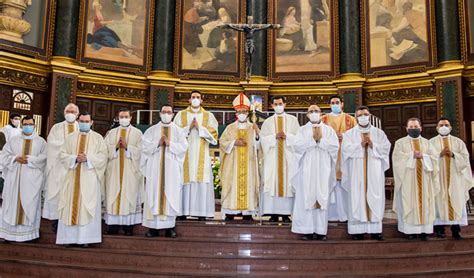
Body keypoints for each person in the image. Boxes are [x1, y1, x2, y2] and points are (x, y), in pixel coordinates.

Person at [56, 112, 108, 247]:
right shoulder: (70, 138)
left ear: (91, 123)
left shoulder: (98, 139)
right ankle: (68, 239)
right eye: (82, 121)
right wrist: (74, 158)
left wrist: (88, 158)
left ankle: (86, 239)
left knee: (86, 207)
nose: (84, 123)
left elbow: (103, 157)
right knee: (69, 205)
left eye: (87, 121)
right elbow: (62, 155)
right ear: (78, 122)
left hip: (89, 179)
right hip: (72, 178)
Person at [341, 106, 391, 241]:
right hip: (356, 171)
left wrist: (374, 145)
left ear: (369, 115)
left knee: (375, 196)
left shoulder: (379, 133)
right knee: (357, 196)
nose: (363, 117)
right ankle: (358, 230)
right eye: (360, 115)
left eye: (365, 114)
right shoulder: (349, 134)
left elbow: (386, 148)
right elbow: (345, 150)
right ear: (356, 117)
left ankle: (375, 230)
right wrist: (360, 146)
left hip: (374, 171)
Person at [290, 105, 339, 240]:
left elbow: (335, 147)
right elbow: (297, 147)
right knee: (307, 196)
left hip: (323, 168)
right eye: (311, 111)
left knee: (322, 197)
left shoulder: (329, 130)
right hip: (307, 169)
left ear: (321, 113)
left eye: (316, 111)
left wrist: (321, 141)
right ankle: (307, 230)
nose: (314, 113)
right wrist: (313, 141)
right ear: (307, 115)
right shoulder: (302, 130)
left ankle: (320, 231)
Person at [141, 104, 188, 238]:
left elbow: (184, 147)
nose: (166, 114)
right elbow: (144, 147)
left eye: (169, 112)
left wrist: (170, 144)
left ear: (173, 114)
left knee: (170, 194)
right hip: (155, 168)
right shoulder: (151, 130)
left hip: (171, 168)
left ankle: (170, 227)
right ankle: (152, 228)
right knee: (153, 194)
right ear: (160, 113)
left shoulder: (178, 131)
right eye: (164, 112)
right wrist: (157, 143)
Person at [0, 116, 47, 242]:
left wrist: (30, 160)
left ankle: (28, 235)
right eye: (25, 124)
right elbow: (4, 156)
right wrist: (15, 158)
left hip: (31, 180)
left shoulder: (41, 142)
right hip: (14, 178)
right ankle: (8, 234)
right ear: (22, 124)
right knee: (11, 204)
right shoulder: (13, 140)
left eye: (30, 124)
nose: (28, 126)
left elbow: (44, 159)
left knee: (30, 205)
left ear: (34, 125)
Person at [174, 91, 218, 220]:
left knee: (201, 180)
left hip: (201, 156)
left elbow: (214, 135)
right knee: (184, 180)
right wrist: (188, 127)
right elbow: (175, 133)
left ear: (201, 100)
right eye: (193, 97)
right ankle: (182, 211)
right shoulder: (181, 115)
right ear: (189, 100)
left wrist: (200, 128)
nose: (195, 99)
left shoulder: (208, 116)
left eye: (198, 97)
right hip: (185, 155)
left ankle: (201, 212)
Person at [393, 118, 439, 240]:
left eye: (416, 127)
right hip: (408, 179)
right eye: (411, 127)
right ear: (406, 128)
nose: (414, 129)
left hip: (424, 180)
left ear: (421, 128)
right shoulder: (400, 143)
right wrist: (411, 155)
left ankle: (424, 231)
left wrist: (423, 156)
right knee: (409, 204)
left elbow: (435, 159)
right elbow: (397, 159)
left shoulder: (427, 143)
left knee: (425, 203)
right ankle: (410, 232)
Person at [219, 93, 260, 221]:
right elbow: (222, 142)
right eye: (239, 111)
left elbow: (259, 145)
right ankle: (230, 211)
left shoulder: (252, 127)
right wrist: (234, 143)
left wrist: (257, 134)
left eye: (244, 111)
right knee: (231, 184)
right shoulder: (230, 128)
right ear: (236, 113)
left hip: (249, 164)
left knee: (249, 184)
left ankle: (247, 212)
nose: (241, 113)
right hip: (233, 165)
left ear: (248, 113)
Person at [430, 118, 474, 239]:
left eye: (446, 125)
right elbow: (427, 159)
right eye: (441, 125)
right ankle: (440, 229)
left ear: (450, 127)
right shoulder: (431, 143)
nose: (444, 126)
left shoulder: (458, 142)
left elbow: (465, 158)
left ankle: (456, 229)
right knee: (439, 201)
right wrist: (440, 154)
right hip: (439, 178)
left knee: (455, 200)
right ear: (437, 127)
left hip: (455, 178)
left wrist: (454, 154)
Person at [104, 108, 143, 236]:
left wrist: (128, 147)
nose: (124, 118)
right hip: (114, 171)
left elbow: (141, 152)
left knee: (128, 196)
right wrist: (115, 147)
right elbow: (103, 150)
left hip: (130, 172)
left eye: (126, 116)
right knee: (113, 196)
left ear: (130, 118)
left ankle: (128, 226)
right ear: (118, 117)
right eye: (121, 116)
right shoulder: (111, 133)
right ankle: (113, 225)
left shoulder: (137, 133)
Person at [260, 96, 300, 222]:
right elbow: (263, 140)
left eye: (280, 103)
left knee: (287, 184)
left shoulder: (293, 120)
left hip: (288, 157)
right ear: (272, 106)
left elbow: (299, 139)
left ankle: (286, 213)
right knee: (272, 182)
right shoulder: (268, 122)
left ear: (285, 104)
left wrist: (287, 136)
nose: (278, 106)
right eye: (275, 104)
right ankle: (273, 213)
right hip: (273, 157)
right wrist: (274, 137)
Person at [43, 103, 79, 232]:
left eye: (73, 111)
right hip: (59, 167)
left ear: (77, 114)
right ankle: (57, 221)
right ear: (64, 113)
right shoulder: (56, 128)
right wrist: (67, 148)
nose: (70, 113)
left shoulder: (81, 128)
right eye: (68, 111)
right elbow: (51, 143)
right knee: (58, 194)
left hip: (75, 167)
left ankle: (71, 220)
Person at [321, 95, 357, 222]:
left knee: (344, 188)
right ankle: (330, 215)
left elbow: (356, 137)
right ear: (329, 105)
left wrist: (344, 137)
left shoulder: (350, 120)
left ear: (342, 104)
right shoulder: (323, 120)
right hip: (329, 158)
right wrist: (333, 138)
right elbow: (318, 137)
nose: (335, 104)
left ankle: (345, 215)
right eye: (332, 103)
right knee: (329, 186)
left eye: (337, 102)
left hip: (345, 157)